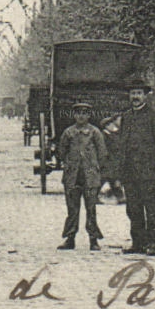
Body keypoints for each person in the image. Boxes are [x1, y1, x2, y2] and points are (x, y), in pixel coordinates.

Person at [117, 77, 155, 256]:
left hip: (147, 169)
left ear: (145, 96)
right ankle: (138, 242)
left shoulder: (154, 116)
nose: (135, 96)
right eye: (133, 93)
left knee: (150, 207)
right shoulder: (126, 116)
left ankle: (154, 243)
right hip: (129, 170)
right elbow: (122, 143)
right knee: (133, 208)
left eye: (139, 93)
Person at [57, 101, 108, 251]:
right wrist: (69, 163)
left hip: (90, 176)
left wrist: (95, 167)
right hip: (72, 176)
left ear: (89, 115)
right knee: (72, 208)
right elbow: (61, 151)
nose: (81, 116)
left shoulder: (95, 133)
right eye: (78, 113)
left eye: (84, 113)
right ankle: (70, 238)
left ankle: (93, 239)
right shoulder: (68, 133)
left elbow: (102, 152)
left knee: (91, 208)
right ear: (74, 115)